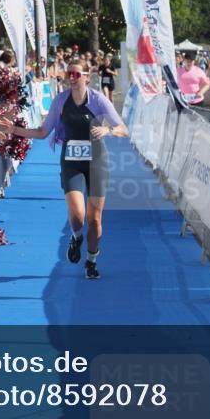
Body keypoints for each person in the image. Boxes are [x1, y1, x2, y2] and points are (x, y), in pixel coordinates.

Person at [13, 61, 128, 280]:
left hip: (97, 162)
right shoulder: (60, 100)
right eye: (69, 74)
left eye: (76, 74)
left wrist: (108, 130)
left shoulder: (98, 99)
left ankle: (92, 260)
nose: (72, 78)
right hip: (71, 161)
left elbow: (124, 129)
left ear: (87, 76)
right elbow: (42, 132)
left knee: (95, 219)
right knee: (77, 216)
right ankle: (76, 237)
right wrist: (14, 130)